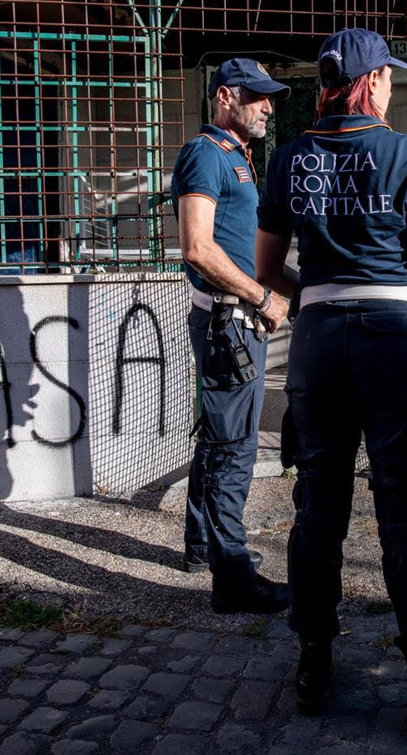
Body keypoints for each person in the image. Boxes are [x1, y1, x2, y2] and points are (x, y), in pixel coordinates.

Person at [254, 29, 407, 733]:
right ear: (370, 84)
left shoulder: (289, 158)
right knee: (402, 521)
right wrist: (402, 289)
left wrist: (323, 294)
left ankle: (314, 665)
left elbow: (267, 272)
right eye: (385, 75)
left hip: (320, 343)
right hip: (394, 341)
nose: (389, 84)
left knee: (317, 510)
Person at [170, 58, 293, 614]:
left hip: (235, 319)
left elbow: (242, 247)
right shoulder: (205, 154)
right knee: (234, 445)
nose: (269, 106)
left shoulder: (235, 156)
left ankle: (204, 546)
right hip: (230, 322)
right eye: (259, 96)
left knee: (220, 438)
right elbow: (197, 248)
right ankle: (233, 574)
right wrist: (263, 298)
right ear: (225, 97)